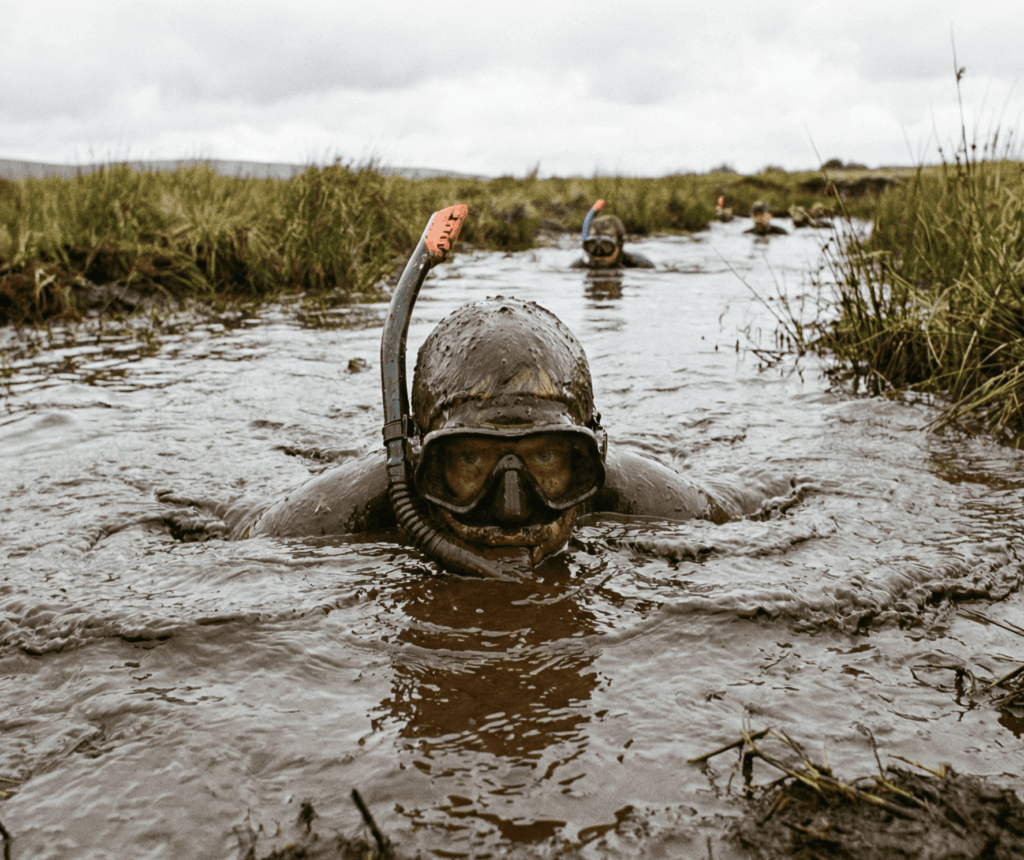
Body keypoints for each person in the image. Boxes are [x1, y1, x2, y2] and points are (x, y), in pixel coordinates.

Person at [218, 205, 779, 579]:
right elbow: (231, 532)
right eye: (467, 459)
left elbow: (765, 502)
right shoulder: (359, 500)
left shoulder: (631, 492)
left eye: (550, 459)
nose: (512, 510)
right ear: (415, 458)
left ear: (594, 457)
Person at [571, 200, 654, 269]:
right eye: (592, 245)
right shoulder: (579, 266)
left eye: (606, 246)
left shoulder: (640, 265)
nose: (599, 254)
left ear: (620, 246)